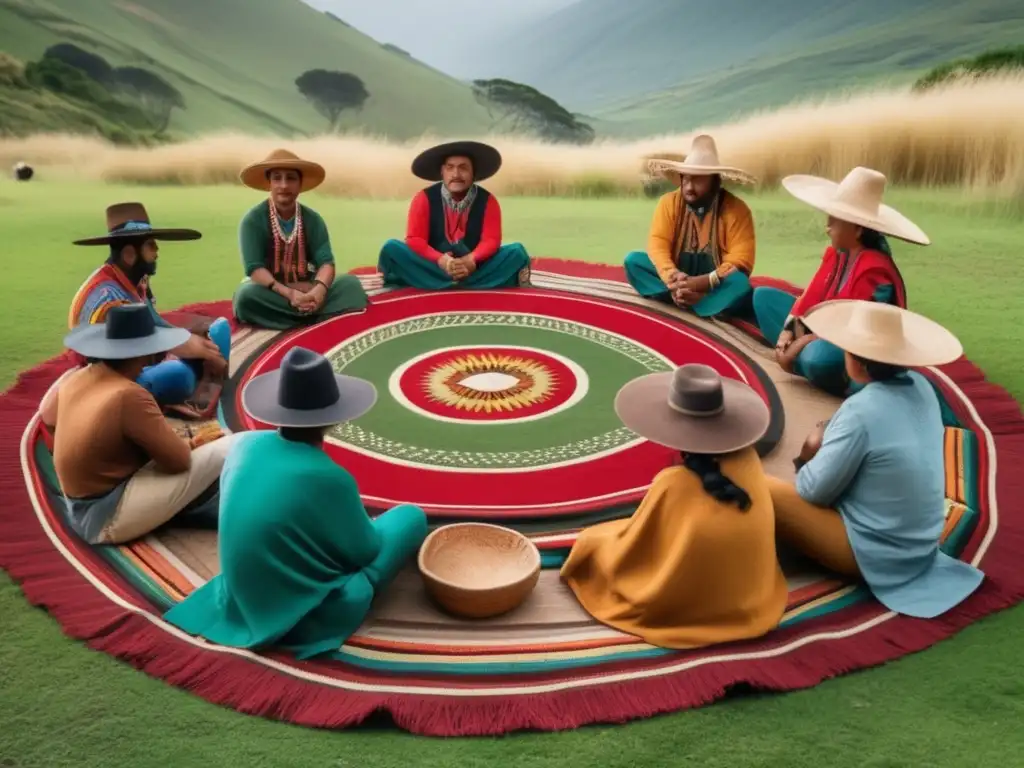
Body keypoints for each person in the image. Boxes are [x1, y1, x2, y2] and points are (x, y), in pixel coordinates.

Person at [163, 346, 429, 659]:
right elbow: (365, 551)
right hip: (299, 609)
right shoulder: (329, 476)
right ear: (334, 417)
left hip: (240, 592)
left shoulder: (246, 444)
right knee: (410, 518)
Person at [767, 299, 984, 618]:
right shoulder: (922, 388)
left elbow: (813, 491)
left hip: (877, 553)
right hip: (920, 543)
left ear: (858, 362)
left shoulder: (860, 412)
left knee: (764, 489)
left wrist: (808, 458)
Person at [560, 363, 787, 649]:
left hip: (695, 605)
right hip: (752, 599)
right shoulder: (749, 462)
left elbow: (634, 548)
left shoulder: (674, 483)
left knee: (593, 543)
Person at [51, 304, 236, 545]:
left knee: (199, 460)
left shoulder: (79, 377)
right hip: (104, 515)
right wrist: (193, 443)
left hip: (81, 505)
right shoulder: (128, 395)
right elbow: (178, 462)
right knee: (233, 443)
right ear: (144, 351)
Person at [752, 167, 919, 396]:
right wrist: (787, 332)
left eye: (834, 220)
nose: (827, 226)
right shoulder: (836, 254)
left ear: (857, 229)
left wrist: (797, 346)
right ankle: (803, 360)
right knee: (763, 298)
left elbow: (850, 333)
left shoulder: (875, 271)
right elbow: (809, 298)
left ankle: (817, 369)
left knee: (819, 359)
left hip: (853, 352)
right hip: (819, 332)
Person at [64, 202, 231, 414]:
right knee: (179, 375)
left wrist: (186, 342)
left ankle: (197, 376)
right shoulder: (108, 300)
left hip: (139, 359)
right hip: (108, 378)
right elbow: (118, 361)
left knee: (217, 331)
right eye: (151, 245)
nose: (157, 251)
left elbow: (154, 322)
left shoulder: (135, 279)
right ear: (129, 254)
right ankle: (191, 382)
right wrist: (182, 347)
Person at [232, 149, 368, 330]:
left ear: (300, 184)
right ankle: (315, 314)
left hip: (308, 285)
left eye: (290, 178)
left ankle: (301, 311)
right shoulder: (253, 220)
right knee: (245, 297)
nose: (284, 185)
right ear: (269, 183)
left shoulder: (312, 219)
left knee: (351, 285)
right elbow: (254, 268)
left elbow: (326, 262)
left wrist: (318, 291)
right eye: (277, 178)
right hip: (272, 290)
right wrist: (289, 293)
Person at [624, 134, 757, 319]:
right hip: (676, 278)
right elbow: (658, 246)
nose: (689, 187)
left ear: (715, 181)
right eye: (686, 179)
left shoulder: (737, 210)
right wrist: (674, 277)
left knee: (739, 282)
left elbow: (740, 261)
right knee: (633, 261)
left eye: (698, 180)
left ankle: (695, 299)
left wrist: (700, 285)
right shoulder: (668, 203)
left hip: (713, 285)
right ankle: (683, 296)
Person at [377, 140, 532, 290]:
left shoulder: (488, 201)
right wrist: (441, 260)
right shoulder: (423, 198)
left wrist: (472, 260)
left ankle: (429, 281)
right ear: (442, 172)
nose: (456, 174)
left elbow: (491, 240)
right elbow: (415, 239)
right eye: (450, 168)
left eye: (463, 168)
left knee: (516, 252)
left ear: (473, 173)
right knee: (391, 248)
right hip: (434, 265)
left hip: (475, 267)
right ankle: (478, 282)